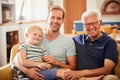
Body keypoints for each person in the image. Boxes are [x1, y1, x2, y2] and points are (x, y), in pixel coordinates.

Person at [13, 6, 76, 80]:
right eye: (52, 17)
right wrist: (27, 71)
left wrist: (57, 62)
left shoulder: (68, 42)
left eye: (58, 18)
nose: (55, 21)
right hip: (35, 74)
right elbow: (16, 59)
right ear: (47, 18)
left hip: (57, 75)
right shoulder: (36, 37)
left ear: (62, 21)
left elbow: (73, 68)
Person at [64, 9, 118, 80]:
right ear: (84, 26)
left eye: (94, 23)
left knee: (111, 78)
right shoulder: (77, 40)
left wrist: (81, 73)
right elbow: (62, 42)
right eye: (88, 24)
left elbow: (107, 70)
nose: (91, 27)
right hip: (80, 78)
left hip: (102, 77)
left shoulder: (110, 42)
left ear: (100, 22)